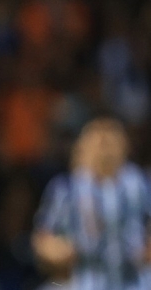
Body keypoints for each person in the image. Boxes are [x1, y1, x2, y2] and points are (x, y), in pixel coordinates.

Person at [31, 116, 151, 290]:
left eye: (111, 136)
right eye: (97, 137)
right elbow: (44, 238)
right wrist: (58, 251)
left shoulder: (140, 184)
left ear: (125, 145)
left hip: (136, 281)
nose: (104, 143)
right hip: (83, 281)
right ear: (81, 146)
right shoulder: (66, 188)